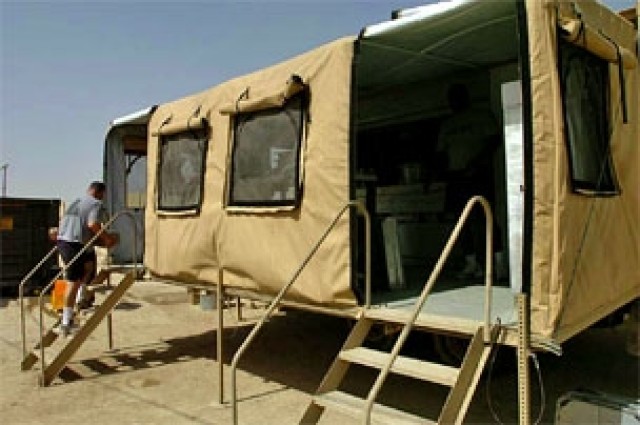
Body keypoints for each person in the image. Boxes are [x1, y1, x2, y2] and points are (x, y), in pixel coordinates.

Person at [436, 83, 504, 279]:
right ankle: (471, 263)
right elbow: (440, 152)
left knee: (485, 217)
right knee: (461, 220)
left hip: (477, 174)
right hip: (456, 176)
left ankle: (497, 263)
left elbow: (494, 141)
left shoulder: (480, 116)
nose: (454, 103)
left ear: (466, 98)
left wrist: (477, 162)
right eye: (451, 99)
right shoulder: (447, 124)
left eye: (457, 98)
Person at [56, 181, 119, 336]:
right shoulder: (96, 204)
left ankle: (81, 298)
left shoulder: (77, 201)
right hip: (74, 245)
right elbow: (93, 224)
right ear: (99, 193)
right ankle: (66, 323)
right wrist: (107, 239)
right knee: (73, 282)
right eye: (102, 195)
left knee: (90, 264)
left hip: (66, 241)